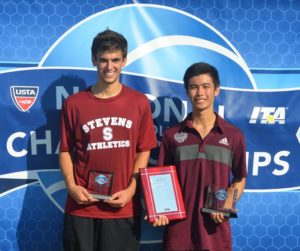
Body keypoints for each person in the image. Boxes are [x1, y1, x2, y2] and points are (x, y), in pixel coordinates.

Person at [59, 29, 157, 251]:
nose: (109, 67)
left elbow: (144, 150)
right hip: (82, 207)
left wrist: (132, 189)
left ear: (125, 60)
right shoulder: (74, 103)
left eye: (115, 60)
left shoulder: (139, 102)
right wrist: (71, 186)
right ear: (94, 60)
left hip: (122, 207)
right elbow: (65, 150)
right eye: (103, 60)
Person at [154, 62, 247, 251]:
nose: (200, 93)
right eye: (194, 87)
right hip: (178, 234)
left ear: (217, 90)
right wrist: (159, 210)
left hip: (215, 234)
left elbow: (240, 177)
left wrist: (228, 201)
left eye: (206, 87)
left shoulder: (233, 135)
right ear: (187, 91)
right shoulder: (172, 136)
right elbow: (160, 181)